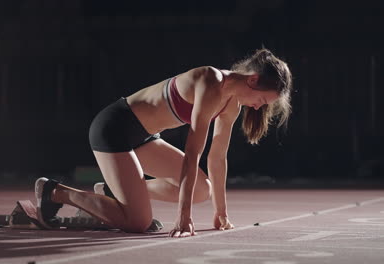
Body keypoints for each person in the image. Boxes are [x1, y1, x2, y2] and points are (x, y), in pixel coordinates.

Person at [34, 48, 292, 238]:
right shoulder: (210, 81)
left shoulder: (233, 105)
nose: (259, 107)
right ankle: (55, 192)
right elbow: (193, 152)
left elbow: (217, 157)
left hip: (144, 139)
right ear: (253, 80)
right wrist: (183, 215)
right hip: (115, 128)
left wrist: (221, 213)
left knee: (204, 190)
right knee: (138, 222)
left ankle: (115, 193)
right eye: (262, 100)